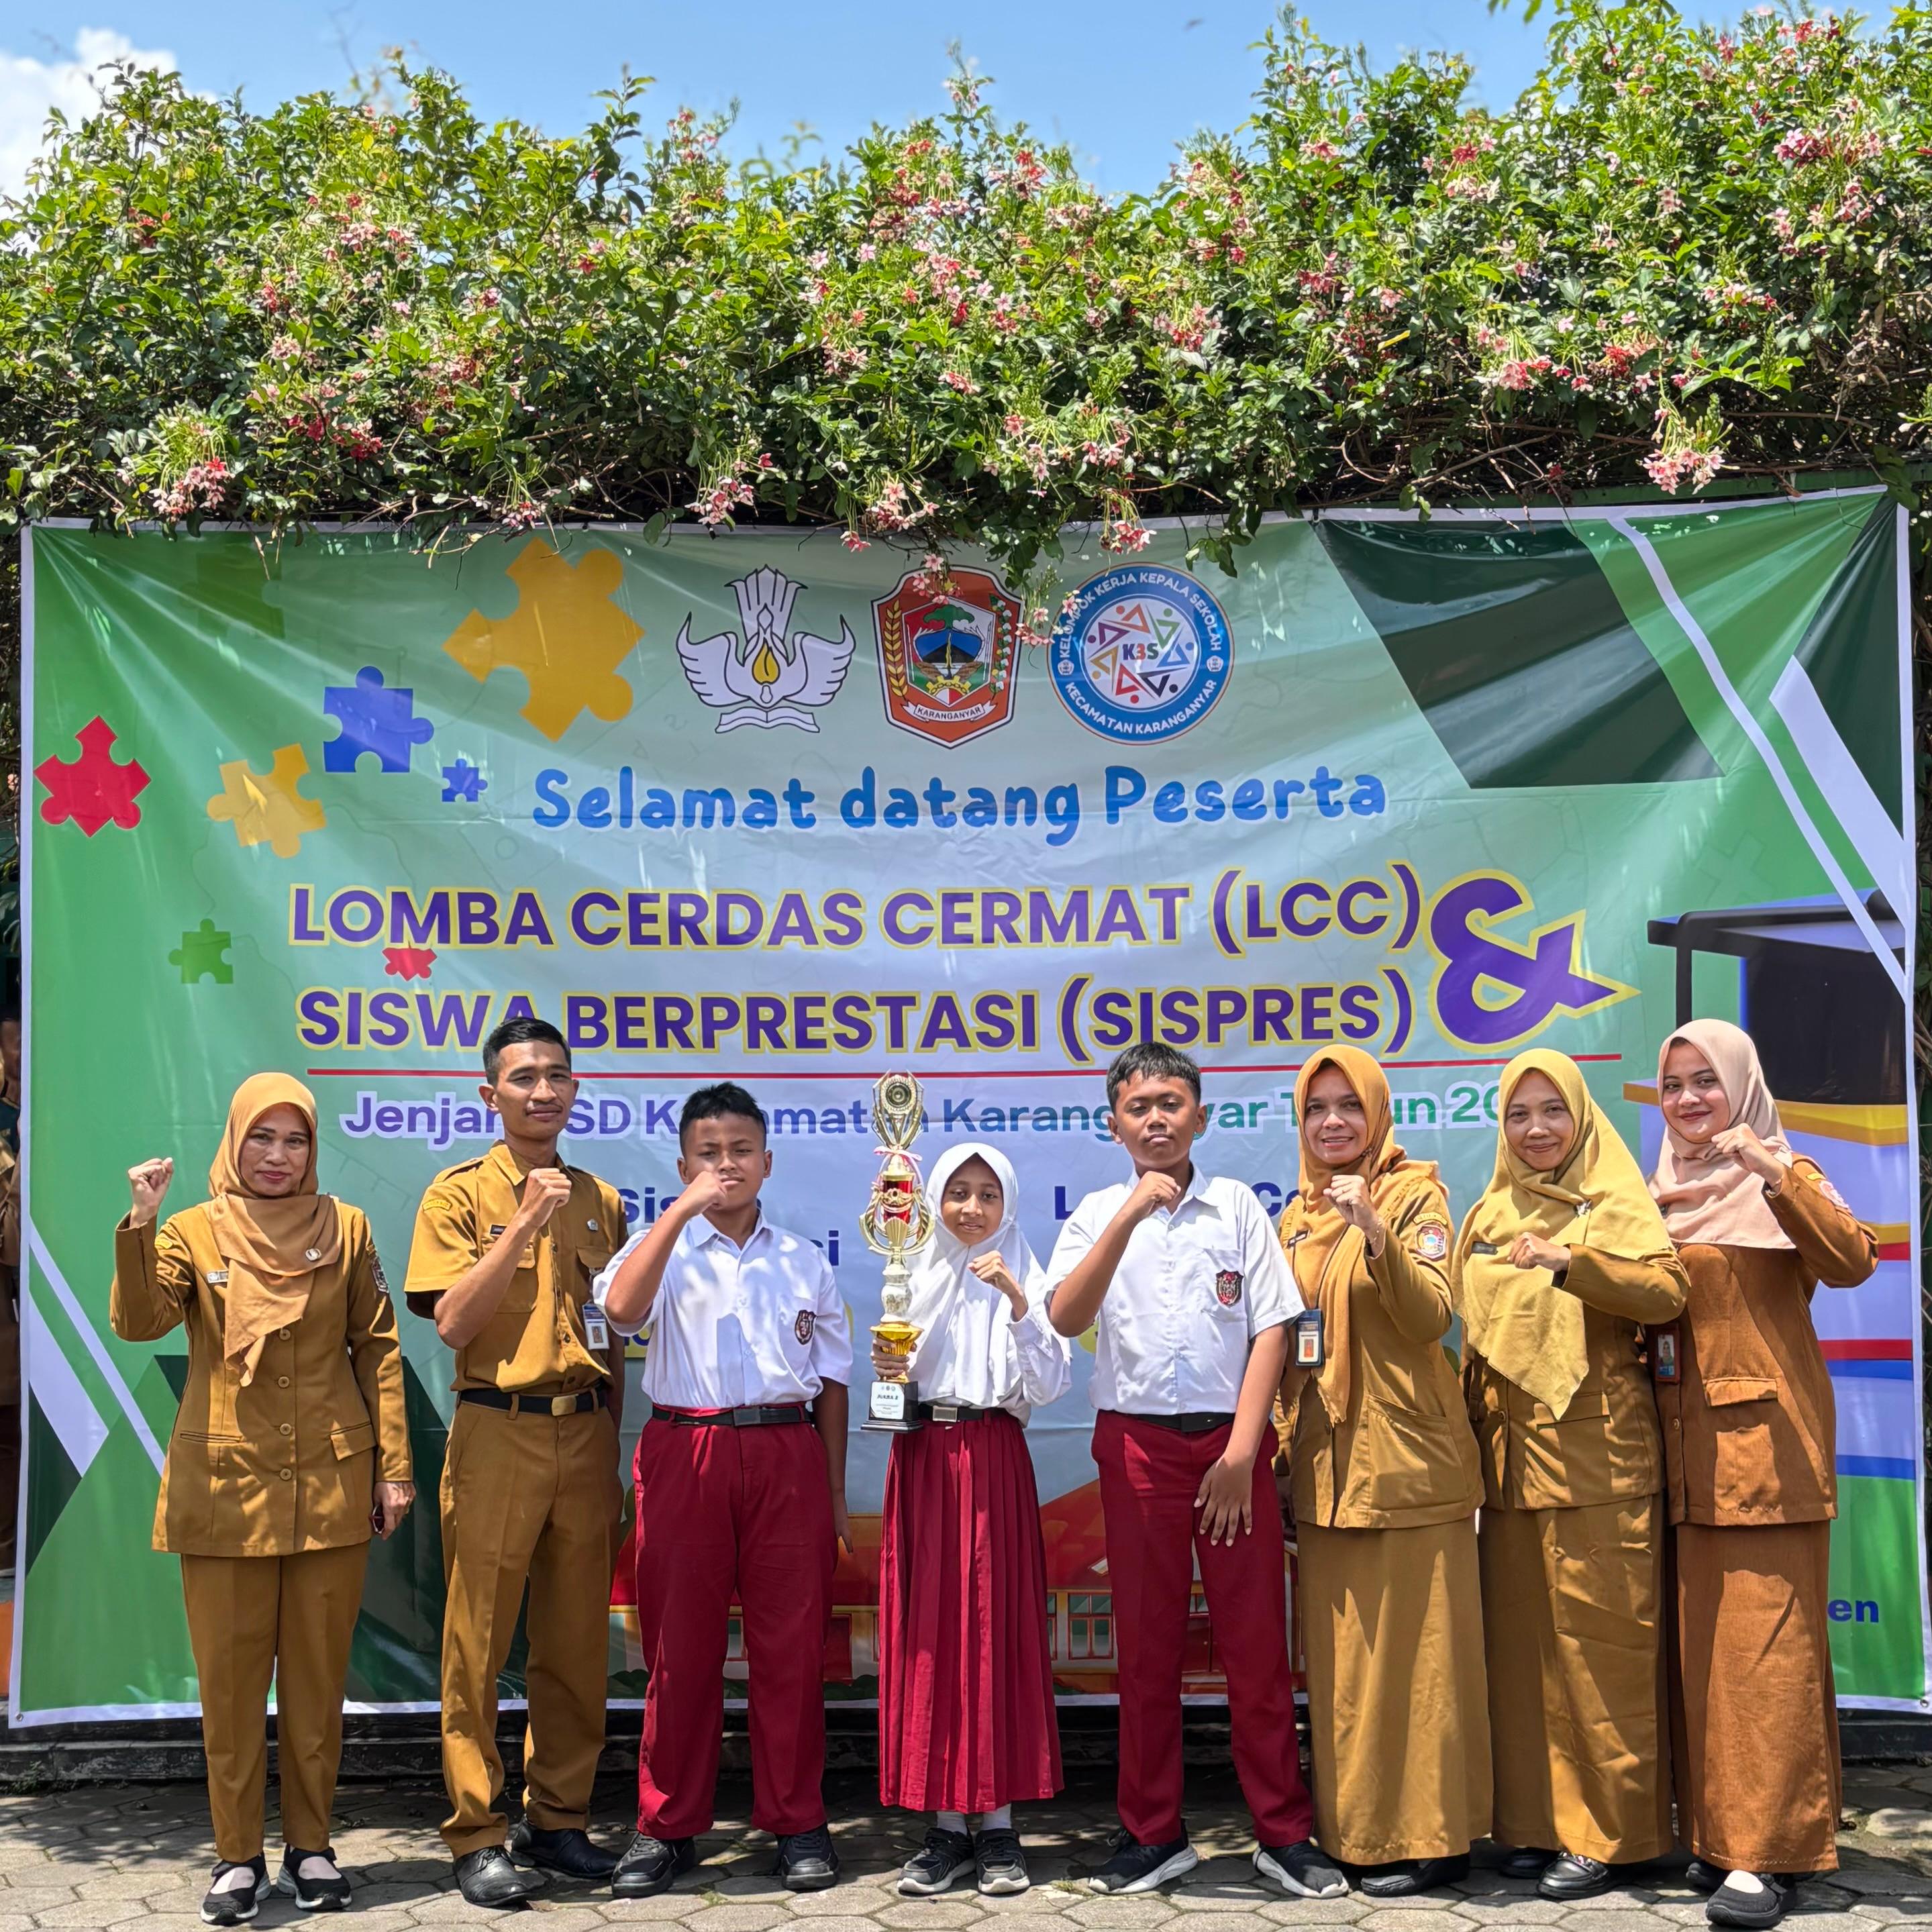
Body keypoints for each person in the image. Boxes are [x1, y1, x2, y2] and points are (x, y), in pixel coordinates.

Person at [110, 1074, 413, 1925]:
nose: (278, 1155)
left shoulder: (346, 1227)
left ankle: (311, 1846)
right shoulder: (192, 1228)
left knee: (317, 1685)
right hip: (224, 1489)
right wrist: (141, 1222)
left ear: (313, 1148)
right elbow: (139, 1321)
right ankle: (237, 1855)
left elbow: (377, 1348)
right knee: (232, 1690)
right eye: (261, 1137)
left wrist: (392, 1466)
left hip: (329, 1483)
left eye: (295, 1139)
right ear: (234, 1140)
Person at [1047, 1043, 1342, 1900]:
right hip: (1135, 1448)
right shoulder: (1098, 1212)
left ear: (1200, 1116)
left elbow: (1272, 1327)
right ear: (1112, 1124)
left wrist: (1242, 1451)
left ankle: (1281, 1832)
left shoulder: (1237, 1207)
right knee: (1146, 1650)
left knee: (1254, 1648)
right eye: (1138, 1107)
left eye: (1170, 1103)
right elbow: (1064, 1313)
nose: (1155, 1119)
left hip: (1228, 1447)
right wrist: (1129, 1214)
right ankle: (1152, 1832)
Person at [593, 1082, 852, 1898]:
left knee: (791, 1648)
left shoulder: (801, 1257)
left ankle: (797, 1819)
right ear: (682, 1166)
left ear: (767, 1161)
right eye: (708, 1153)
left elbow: (833, 1382)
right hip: (688, 1445)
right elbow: (621, 1311)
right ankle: (666, 1824)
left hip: (785, 1449)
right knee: (681, 1649)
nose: (725, 1165)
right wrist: (678, 1215)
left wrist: (832, 1489)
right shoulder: (658, 1245)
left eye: (740, 1150)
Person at [1649, 1019, 1876, 1929]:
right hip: (1679, 1459)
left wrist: (1767, 1169)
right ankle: (1721, 1835)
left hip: (1767, 1457)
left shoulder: (1781, 1168)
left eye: (1705, 1080)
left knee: (1767, 1655)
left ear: (1741, 1084)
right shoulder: (1658, 1190)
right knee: (1706, 1660)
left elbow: (1852, 1258)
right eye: (1672, 1084)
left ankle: (1767, 1852)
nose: (1687, 1099)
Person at [404, 1017, 629, 1909]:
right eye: (525, 1076)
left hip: (585, 1429)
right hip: (498, 1426)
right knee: (478, 1642)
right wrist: (524, 1220)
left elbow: (612, 1330)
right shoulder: (457, 1193)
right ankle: (477, 1829)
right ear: (489, 1093)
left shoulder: (600, 1198)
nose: (544, 1090)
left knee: (575, 1642)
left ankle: (558, 1817)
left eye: (558, 1075)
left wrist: (611, 1432)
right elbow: (452, 1321)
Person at [1454, 1050, 1688, 1900]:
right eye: (1518, 1114)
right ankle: (1534, 1823)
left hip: (1599, 1462)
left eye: (1552, 1110)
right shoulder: (1487, 1211)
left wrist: (1568, 1261)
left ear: (1580, 1116)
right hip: (1509, 1467)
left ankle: (1611, 1836)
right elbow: (1471, 1338)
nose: (1536, 1129)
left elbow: (1665, 1294)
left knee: (1603, 1652)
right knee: (1523, 1656)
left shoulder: (1612, 1198)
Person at [1275, 1048, 1489, 1895]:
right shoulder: (1295, 1217)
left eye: (1347, 1105)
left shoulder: (1413, 1196)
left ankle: (1435, 1836)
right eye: (1315, 1107)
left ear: (1376, 1112)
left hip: (1407, 1463)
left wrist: (1373, 1229)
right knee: (1346, 1665)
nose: (1331, 1122)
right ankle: (1358, 1832)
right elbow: (1290, 1346)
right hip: (1326, 1469)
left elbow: (1430, 1313)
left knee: (1422, 1657)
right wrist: (1281, 1452)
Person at [877, 1143, 1071, 1898]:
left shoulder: (1026, 1273)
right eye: (956, 1191)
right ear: (933, 1201)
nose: (971, 1208)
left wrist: (1019, 1302)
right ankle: (944, 1829)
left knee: (993, 1632)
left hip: (992, 1457)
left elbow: (1049, 1384)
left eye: (988, 1194)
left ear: (1008, 1205)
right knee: (929, 1633)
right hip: (924, 1457)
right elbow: (898, 1377)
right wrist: (892, 1359)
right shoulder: (910, 1271)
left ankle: (997, 1825)